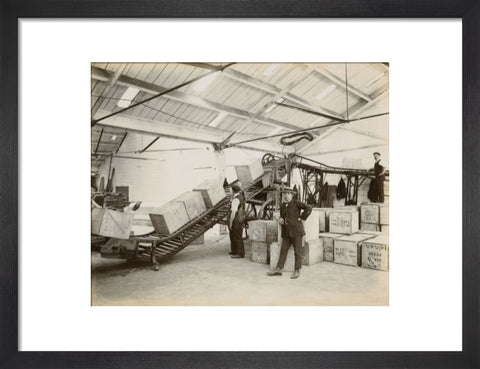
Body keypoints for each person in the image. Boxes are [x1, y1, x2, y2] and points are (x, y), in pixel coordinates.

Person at [267, 187, 312, 279]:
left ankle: (297, 270)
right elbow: (282, 216)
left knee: (297, 252)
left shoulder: (296, 203)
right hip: (287, 232)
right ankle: (279, 269)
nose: (286, 195)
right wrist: (280, 219)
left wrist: (302, 218)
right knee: (283, 251)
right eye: (285, 194)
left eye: (288, 193)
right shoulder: (283, 205)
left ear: (292, 194)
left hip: (297, 232)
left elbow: (309, 208)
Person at [228, 183, 246, 259]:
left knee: (237, 236)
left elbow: (233, 212)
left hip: (236, 220)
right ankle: (234, 250)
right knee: (233, 235)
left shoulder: (236, 199)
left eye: (230, 190)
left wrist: (231, 223)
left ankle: (240, 253)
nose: (230, 191)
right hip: (239, 219)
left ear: (233, 191)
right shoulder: (240, 197)